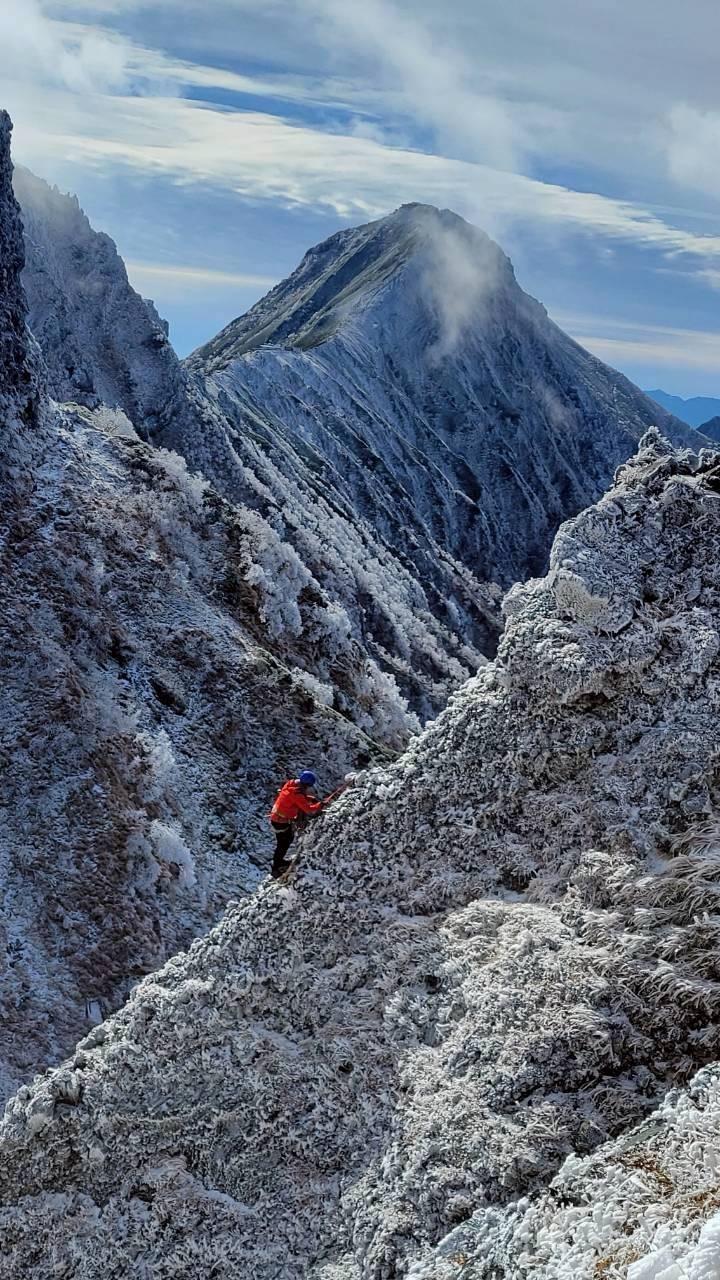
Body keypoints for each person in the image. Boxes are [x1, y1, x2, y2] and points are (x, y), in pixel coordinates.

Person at [269, 770, 324, 879]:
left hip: (277, 818)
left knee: (286, 841)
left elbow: (295, 798)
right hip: (281, 822)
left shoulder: (291, 784)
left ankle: (278, 863)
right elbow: (308, 809)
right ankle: (276, 867)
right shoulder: (297, 793)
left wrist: (308, 798)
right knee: (283, 844)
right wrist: (320, 805)